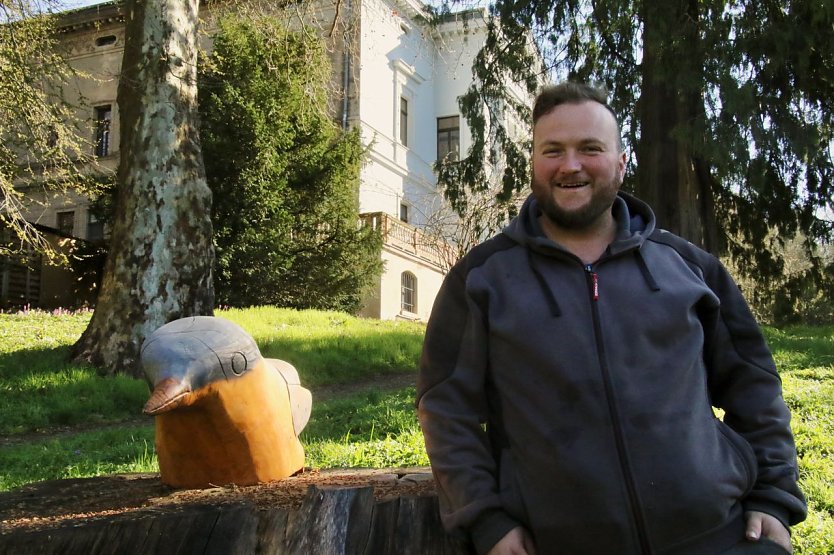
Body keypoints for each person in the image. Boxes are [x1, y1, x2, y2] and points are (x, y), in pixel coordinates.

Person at [416, 82, 807, 555]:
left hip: (718, 538)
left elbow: (754, 383)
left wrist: (773, 495)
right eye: (553, 150)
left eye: (590, 148)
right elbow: (445, 408)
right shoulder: (481, 279)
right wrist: (487, 520)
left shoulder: (688, 268)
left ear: (621, 163)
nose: (571, 165)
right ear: (534, 163)